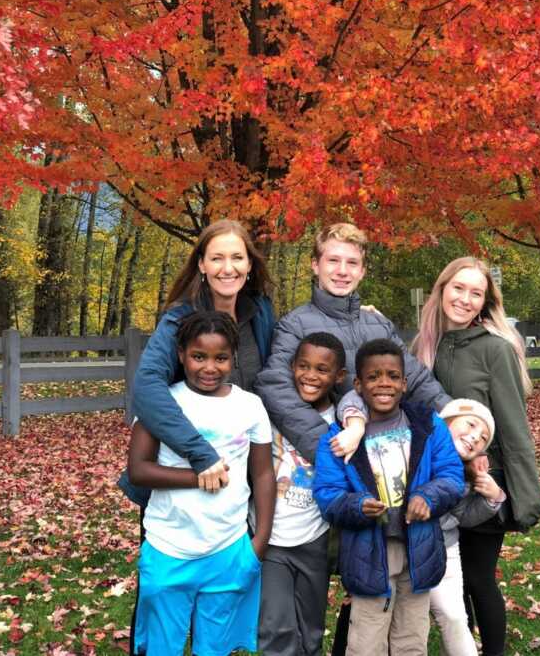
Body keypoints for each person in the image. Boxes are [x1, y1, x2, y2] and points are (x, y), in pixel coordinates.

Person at [118, 219, 275, 654]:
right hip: (178, 477)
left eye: (237, 257)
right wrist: (200, 456)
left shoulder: (258, 312)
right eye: (218, 257)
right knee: (160, 605)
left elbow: (280, 369)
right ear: (202, 264)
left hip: (237, 476)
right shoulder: (179, 319)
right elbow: (147, 386)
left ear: (250, 264)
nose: (229, 267)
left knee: (218, 605)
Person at [410, 256, 540, 656]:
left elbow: (513, 427)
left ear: (485, 302)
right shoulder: (424, 346)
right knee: (452, 584)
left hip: (484, 479)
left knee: (477, 577)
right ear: (442, 289)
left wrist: (522, 496)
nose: (465, 299)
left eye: (476, 293)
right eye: (459, 288)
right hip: (437, 483)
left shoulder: (495, 350)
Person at [312, 339, 464, 656]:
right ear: (358, 384)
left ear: (405, 383)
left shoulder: (428, 424)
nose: (384, 383)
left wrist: (428, 496)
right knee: (367, 642)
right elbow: (327, 494)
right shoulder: (338, 437)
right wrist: (356, 505)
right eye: (373, 376)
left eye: (393, 376)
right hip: (369, 553)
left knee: (411, 638)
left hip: (418, 548)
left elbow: (451, 475)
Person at [255, 222, 451, 466]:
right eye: (333, 261)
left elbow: (416, 379)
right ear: (315, 265)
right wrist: (329, 449)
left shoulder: (379, 326)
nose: (342, 271)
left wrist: (455, 416)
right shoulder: (294, 325)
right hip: (338, 457)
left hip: (389, 454)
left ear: (362, 271)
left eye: (352, 263)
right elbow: (276, 387)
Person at [250, 332, 348, 656]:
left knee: (311, 629)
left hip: (314, 540)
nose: (310, 375)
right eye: (303, 366)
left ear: (339, 377)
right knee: (275, 626)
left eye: (322, 370)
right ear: (291, 366)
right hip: (271, 538)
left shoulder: (343, 422)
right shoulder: (272, 410)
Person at [431, 399, 507, 656]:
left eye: (483, 438)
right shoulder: (413, 445)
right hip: (400, 545)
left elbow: (462, 516)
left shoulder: (464, 473)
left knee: (454, 617)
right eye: (471, 424)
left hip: (444, 547)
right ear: (447, 421)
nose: (475, 437)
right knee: (404, 622)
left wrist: (492, 497)